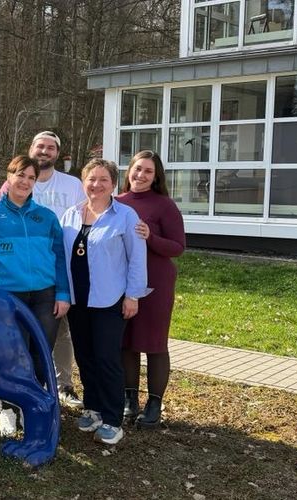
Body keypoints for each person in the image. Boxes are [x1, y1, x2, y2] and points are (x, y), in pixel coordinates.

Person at [0, 155, 69, 436]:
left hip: (45, 294)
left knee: (41, 352)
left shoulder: (46, 217)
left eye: (31, 178)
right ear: (9, 177)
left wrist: (63, 293)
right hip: (6, 295)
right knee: (10, 355)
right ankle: (7, 408)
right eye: (21, 175)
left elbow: (59, 259)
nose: (25, 182)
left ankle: (32, 405)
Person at [60, 158, 147, 446]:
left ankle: (112, 419)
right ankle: (93, 408)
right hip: (78, 299)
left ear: (112, 184)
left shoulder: (125, 216)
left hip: (110, 300)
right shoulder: (70, 214)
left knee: (107, 359)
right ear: (83, 182)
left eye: (103, 180)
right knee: (85, 357)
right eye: (91, 179)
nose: (96, 185)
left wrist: (133, 295)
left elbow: (137, 257)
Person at [0, 131, 86, 408]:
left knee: (61, 330)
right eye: (40, 146)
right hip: (22, 274)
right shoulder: (12, 183)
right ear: (31, 149)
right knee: (21, 334)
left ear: (57, 153)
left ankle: (63, 384)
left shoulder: (73, 185)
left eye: (50, 148)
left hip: (65, 263)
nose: (44, 151)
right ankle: (17, 391)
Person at [116, 151, 185, 427]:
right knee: (126, 343)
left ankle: (154, 404)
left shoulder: (164, 206)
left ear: (156, 177)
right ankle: (129, 400)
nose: (140, 175)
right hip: (122, 284)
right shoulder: (117, 202)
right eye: (137, 169)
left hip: (155, 284)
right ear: (128, 171)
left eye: (147, 171)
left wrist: (151, 237)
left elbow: (178, 247)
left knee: (154, 344)